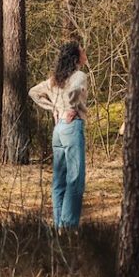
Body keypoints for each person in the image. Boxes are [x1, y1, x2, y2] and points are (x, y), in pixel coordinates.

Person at [29, 40, 89, 231]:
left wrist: (54, 108)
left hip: (58, 129)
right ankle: (68, 225)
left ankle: (58, 225)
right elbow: (74, 91)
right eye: (82, 52)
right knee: (75, 177)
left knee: (59, 179)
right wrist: (71, 107)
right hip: (72, 127)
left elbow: (34, 92)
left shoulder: (55, 79)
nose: (85, 54)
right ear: (76, 58)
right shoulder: (79, 75)